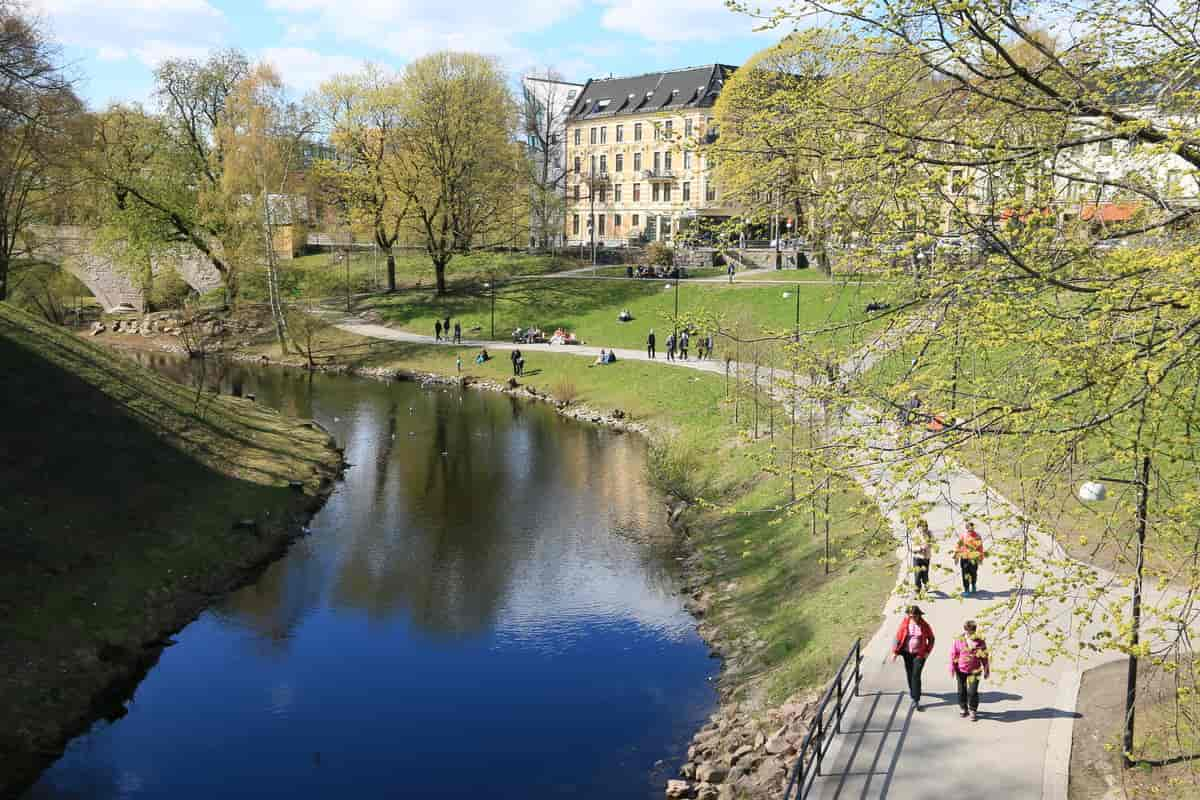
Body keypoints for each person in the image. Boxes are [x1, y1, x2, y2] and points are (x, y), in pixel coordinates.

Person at [891, 605, 935, 710]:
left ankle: (916, 700)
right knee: (910, 674)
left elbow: (931, 639)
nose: (913, 618)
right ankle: (914, 692)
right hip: (907, 653)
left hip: (919, 654)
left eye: (915, 616)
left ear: (919, 615)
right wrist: (895, 652)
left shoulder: (924, 625)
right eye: (910, 616)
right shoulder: (905, 623)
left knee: (916, 675)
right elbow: (898, 638)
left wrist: (927, 652)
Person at [949, 620, 990, 721]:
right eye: (969, 631)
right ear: (965, 630)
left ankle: (973, 710)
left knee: (972, 691)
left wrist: (986, 669)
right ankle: (963, 708)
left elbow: (984, 656)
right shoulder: (959, 640)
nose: (971, 633)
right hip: (961, 669)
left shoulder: (980, 641)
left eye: (973, 631)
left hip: (975, 670)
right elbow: (954, 654)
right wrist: (952, 668)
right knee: (961, 690)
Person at [955, 520, 986, 596]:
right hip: (964, 557)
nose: (971, 528)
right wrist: (956, 556)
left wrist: (981, 558)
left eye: (972, 526)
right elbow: (958, 545)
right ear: (967, 527)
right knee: (965, 573)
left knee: (973, 573)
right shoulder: (963, 535)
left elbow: (980, 547)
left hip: (974, 558)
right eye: (969, 527)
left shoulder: (977, 536)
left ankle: (973, 585)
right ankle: (966, 589)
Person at [913, 519, 933, 595]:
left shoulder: (929, 533)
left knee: (925, 574)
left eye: (925, 526)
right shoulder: (915, 534)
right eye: (921, 526)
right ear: (918, 526)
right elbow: (912, 547)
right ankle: (917, 591)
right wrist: (920, 548)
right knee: (917, 575)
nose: (923, 528)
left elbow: (933, 543)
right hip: (917, 557)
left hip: (926, 558)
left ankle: (926, 583)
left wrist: (928, 546)